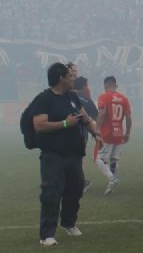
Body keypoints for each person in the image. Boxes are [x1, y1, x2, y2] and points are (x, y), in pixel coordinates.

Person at [31, 62, 104, 247]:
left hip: (74, 154)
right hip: (53, 155)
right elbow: (39, 125)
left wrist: (95, 133)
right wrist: (65, 124)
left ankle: (69, 223)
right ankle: (47, 234)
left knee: (75, 189)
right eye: (70, 76)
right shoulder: (44, 99)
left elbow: (85, 118)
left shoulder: (73, 97)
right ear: (61, 78)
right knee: (51, 193)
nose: (73, 79)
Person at [94, 76, 132, 196]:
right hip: (119, 132)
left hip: (107, 132)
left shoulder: (103, 97)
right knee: (114, 159)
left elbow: (102, 112)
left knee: (98, 158)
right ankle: (113, 180)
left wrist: (97, 129)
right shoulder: (124, 99)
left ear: (105, 85)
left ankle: (112, 178)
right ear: (116, 85)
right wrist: (128, 133)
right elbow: (128, 117)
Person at [73, 74, 98, 193]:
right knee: (79, 158)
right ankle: (80, 183)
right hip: (81, 134)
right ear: (83, 86)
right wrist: (97, 133)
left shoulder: (66, 96)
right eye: (87, 85)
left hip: (64, 133)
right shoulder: (85, 99)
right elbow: (96, 117)